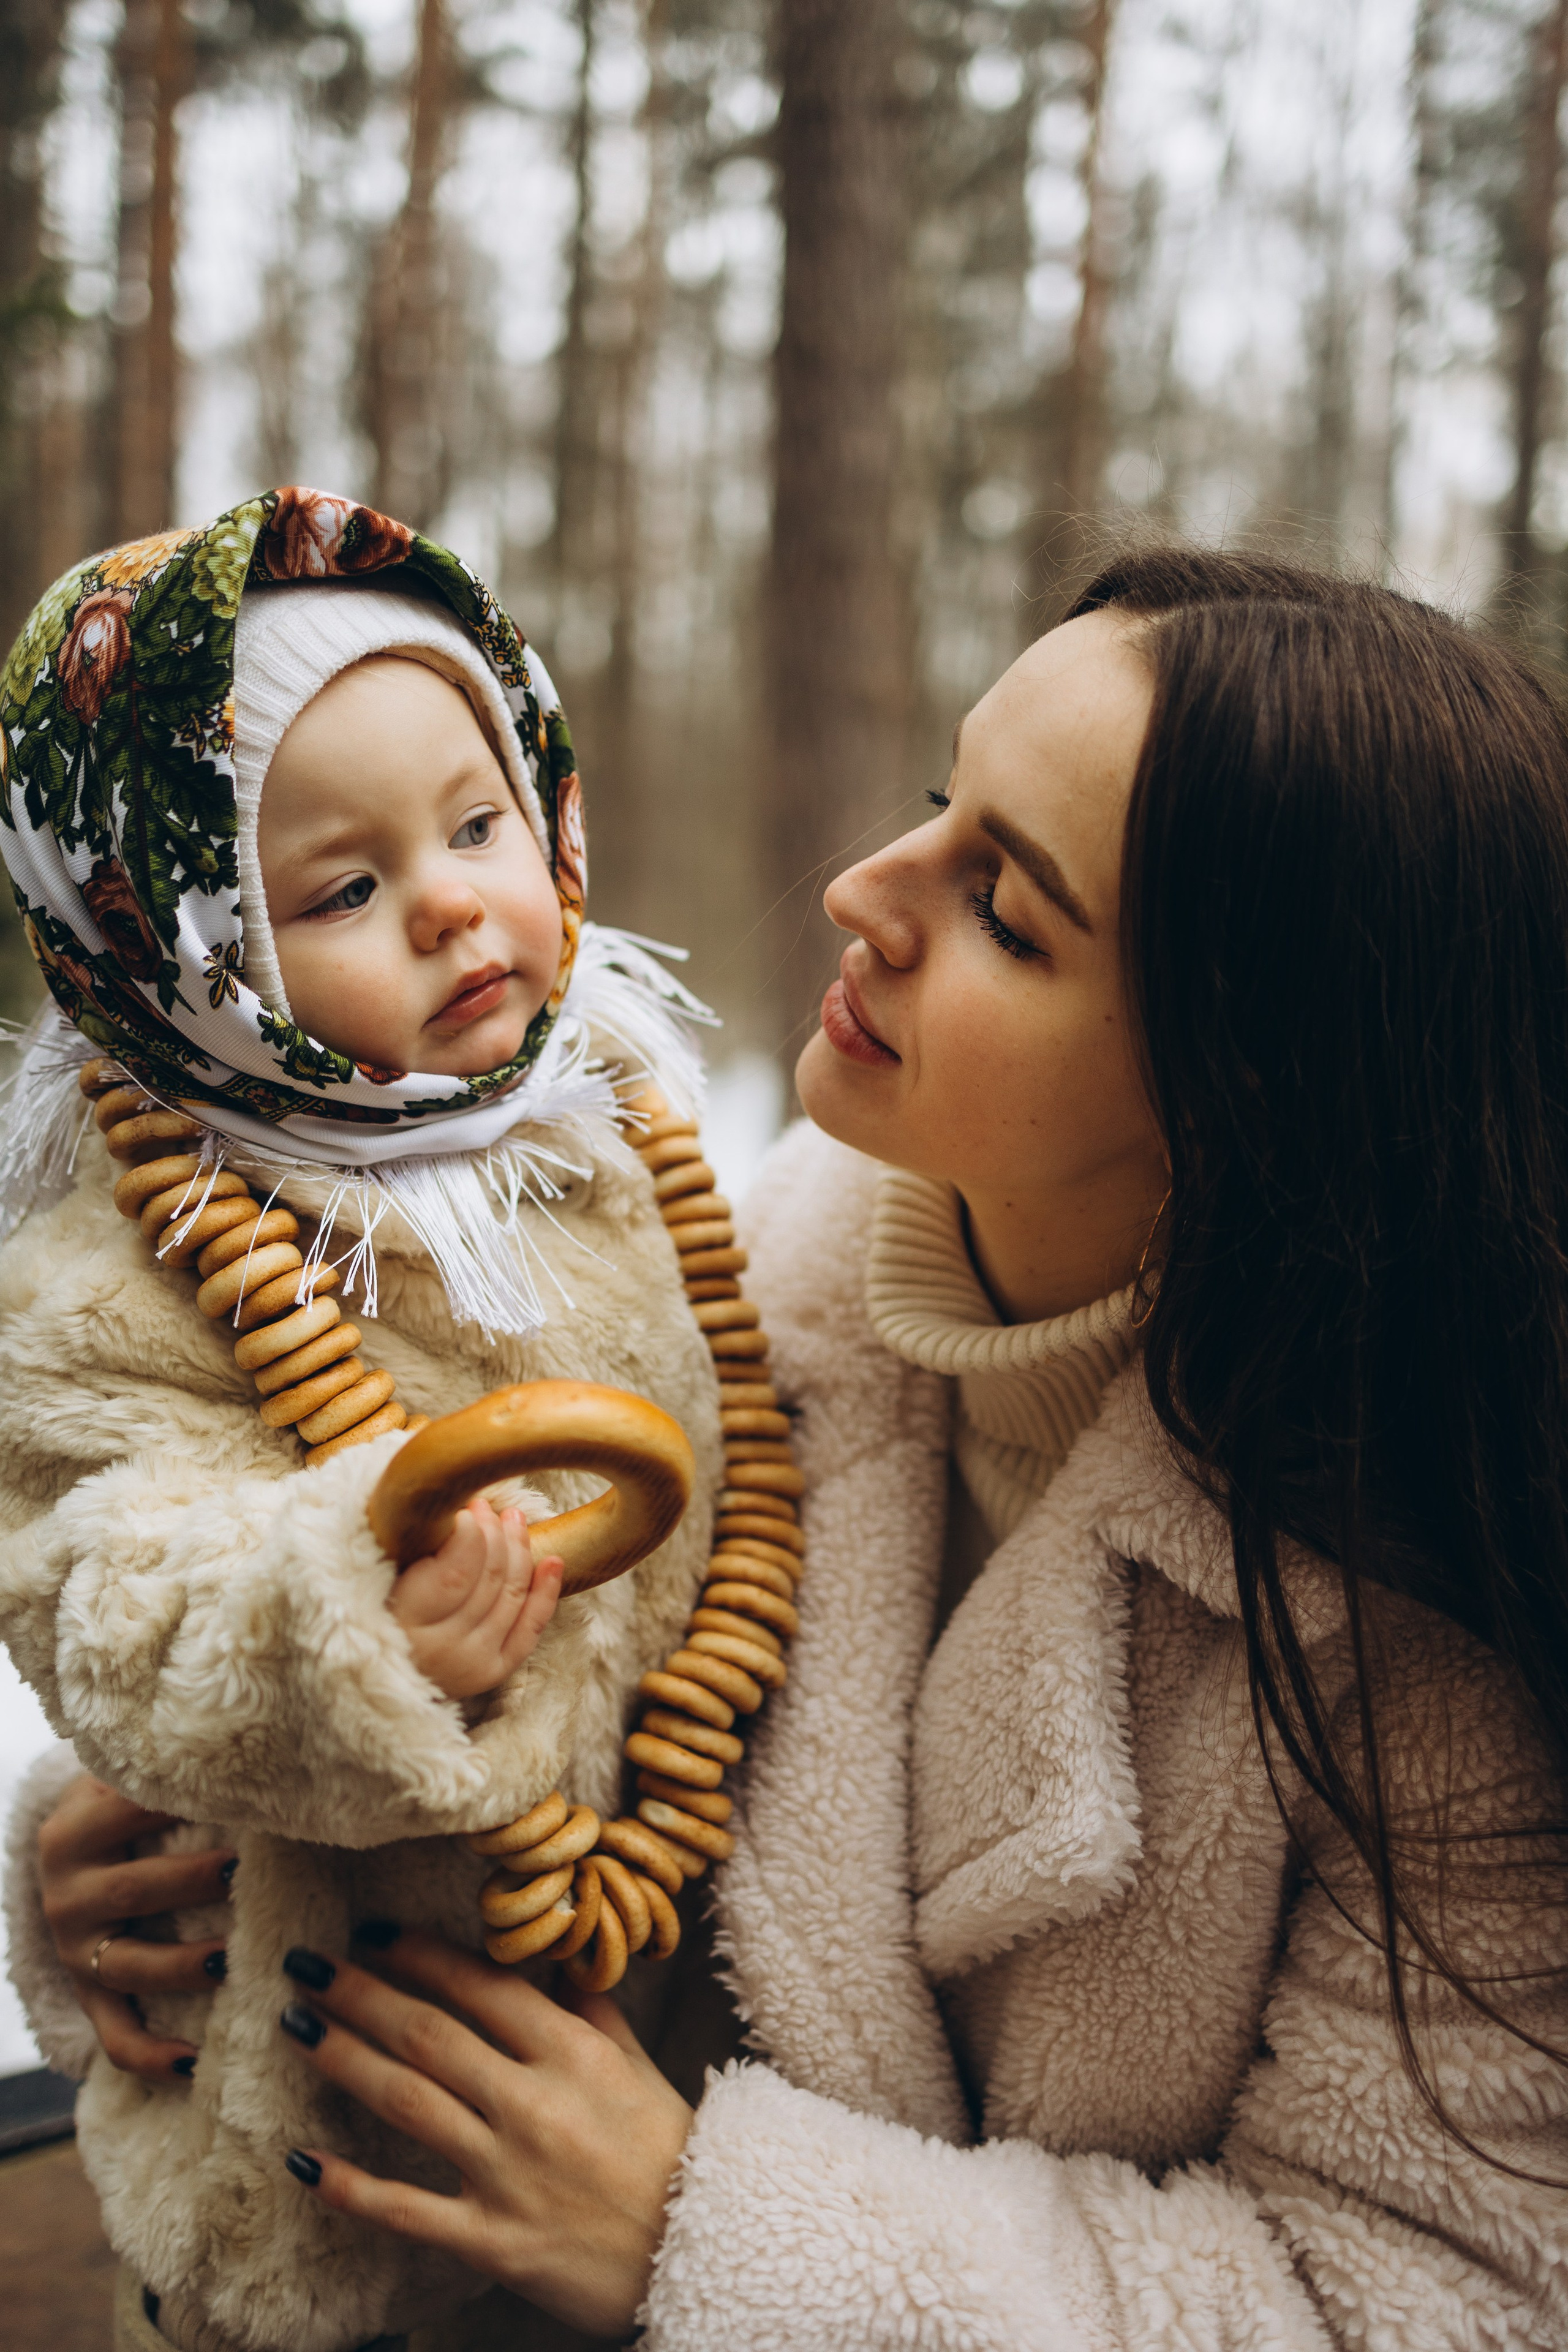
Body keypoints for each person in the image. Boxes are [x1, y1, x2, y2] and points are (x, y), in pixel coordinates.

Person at [18, 549, 1568, 2351]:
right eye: (940, 803)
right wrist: (177, 1837)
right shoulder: (746, 1281)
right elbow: (508, 1655)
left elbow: (1434, 2297)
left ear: (1260, 1088)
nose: (861, 891)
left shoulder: (1444, 1619)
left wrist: (704, 2233)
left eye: (1007, 909)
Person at [0, 489, 724, 2352]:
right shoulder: (120, 1276)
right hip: (322, 2161)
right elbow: (107, 1576)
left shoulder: (617, 1148)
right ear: (181, 954)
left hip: (658, 2073)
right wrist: (343, 1612)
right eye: (339, 889)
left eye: (480, 822)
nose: (454, 900)